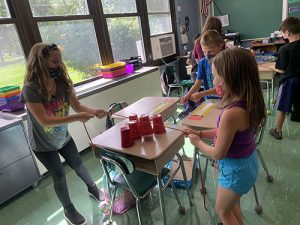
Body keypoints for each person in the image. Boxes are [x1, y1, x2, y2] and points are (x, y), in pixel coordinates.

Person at [21, 43, 107, 225]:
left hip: (63, 138)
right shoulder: (30, 89)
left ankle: (93, 189)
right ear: (40, 63)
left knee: (78, 163)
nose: (59, 65)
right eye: (54, 61)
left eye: (60, 60)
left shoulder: (61, 82)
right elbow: (44, 120)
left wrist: (92, 111)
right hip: (43, 144)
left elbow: (77, 107)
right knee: (58, 175)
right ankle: (69, 209)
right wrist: (78, 118)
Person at [184, 47, 266, 225]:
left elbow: (217, 154)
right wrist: (199, 132)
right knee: (230, 206)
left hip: (235, 170)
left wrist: (197, 142)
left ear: (230, 78)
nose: (214, 81)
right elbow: (223, 133)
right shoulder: (247, 101)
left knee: (222, 211)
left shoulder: (232, 113)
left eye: (215, 76)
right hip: (246, 164)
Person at [179, 29, 224, 119]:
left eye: (210, 51)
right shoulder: (203, 62)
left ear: (220, 45)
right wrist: (188, 95)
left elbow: (222, 88)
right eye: (204, 52)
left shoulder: (225, 61)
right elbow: (197, 84)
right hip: (209, 101)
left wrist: (202, 94)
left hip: (224, 101)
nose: (207, 55)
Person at [270, 17, 300, 139]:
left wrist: (273, 68)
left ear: (287, 32)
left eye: (283, 32)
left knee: (282, 106)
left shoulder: (284, 49)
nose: (283, 35)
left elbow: (281, 70)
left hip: (289, 81)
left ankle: (278, 131)